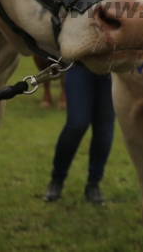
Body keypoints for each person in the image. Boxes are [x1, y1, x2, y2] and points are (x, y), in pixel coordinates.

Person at [42, 65, 115, 205]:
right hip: (80, 63)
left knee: (104, 125)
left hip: (112, 68)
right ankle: (57, 179)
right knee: (77, 124)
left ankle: (94, 183)